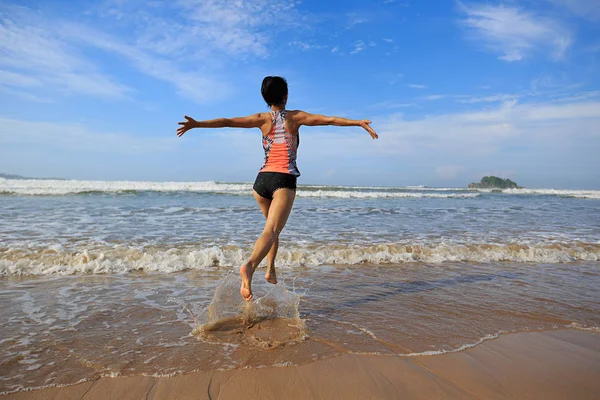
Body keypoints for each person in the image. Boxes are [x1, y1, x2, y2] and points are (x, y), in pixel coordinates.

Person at [177, 76, 378, 301]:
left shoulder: (261, 119)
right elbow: (329, 120)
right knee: (271, 231)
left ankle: (270, 269)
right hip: (283, 180)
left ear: (265, 98)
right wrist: (358, 123)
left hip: (261, 182)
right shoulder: (295, 117)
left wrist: (197, 124)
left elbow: (227, 121)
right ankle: (250, 266)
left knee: (272, 230)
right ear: (285, 96)